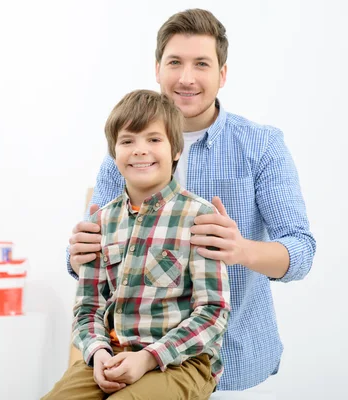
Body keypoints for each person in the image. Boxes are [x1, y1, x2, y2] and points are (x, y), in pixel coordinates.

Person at [66, 8, 316, 392]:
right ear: (157, 69)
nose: (186, 78)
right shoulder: (125, 153)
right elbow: (90, 261)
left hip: (233, 361)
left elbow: (301, 253)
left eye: (201, 63)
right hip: (131, 359)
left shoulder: (261, 146)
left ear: (222, 74)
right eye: (175, 63)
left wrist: (242, 250)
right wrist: (76, 251)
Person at [43, 89, 231, 399]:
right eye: (128, 141)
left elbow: (213, 311)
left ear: (175, 150)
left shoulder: (198, 216)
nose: (139, 150)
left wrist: (147, 358)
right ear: (114, 153)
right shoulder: (101, 222)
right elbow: (88, 308)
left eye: (154, 140)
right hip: (112, 354)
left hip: (180, 361)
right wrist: (97, 352)